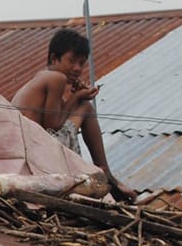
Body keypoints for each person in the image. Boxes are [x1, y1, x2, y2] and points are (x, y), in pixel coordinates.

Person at [12, 28, 121, 193]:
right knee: (86, 108)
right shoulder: (57, 78)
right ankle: (107, 174)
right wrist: (76, 97)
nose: (77, 68)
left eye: (81, 63)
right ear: (54, 58)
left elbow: (53, 118)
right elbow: (54, 124)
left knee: (83, 106)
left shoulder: (43, 77)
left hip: (28, 147)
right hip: (37, 147)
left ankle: (107, 174)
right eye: (71, 61)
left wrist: (75, 96)